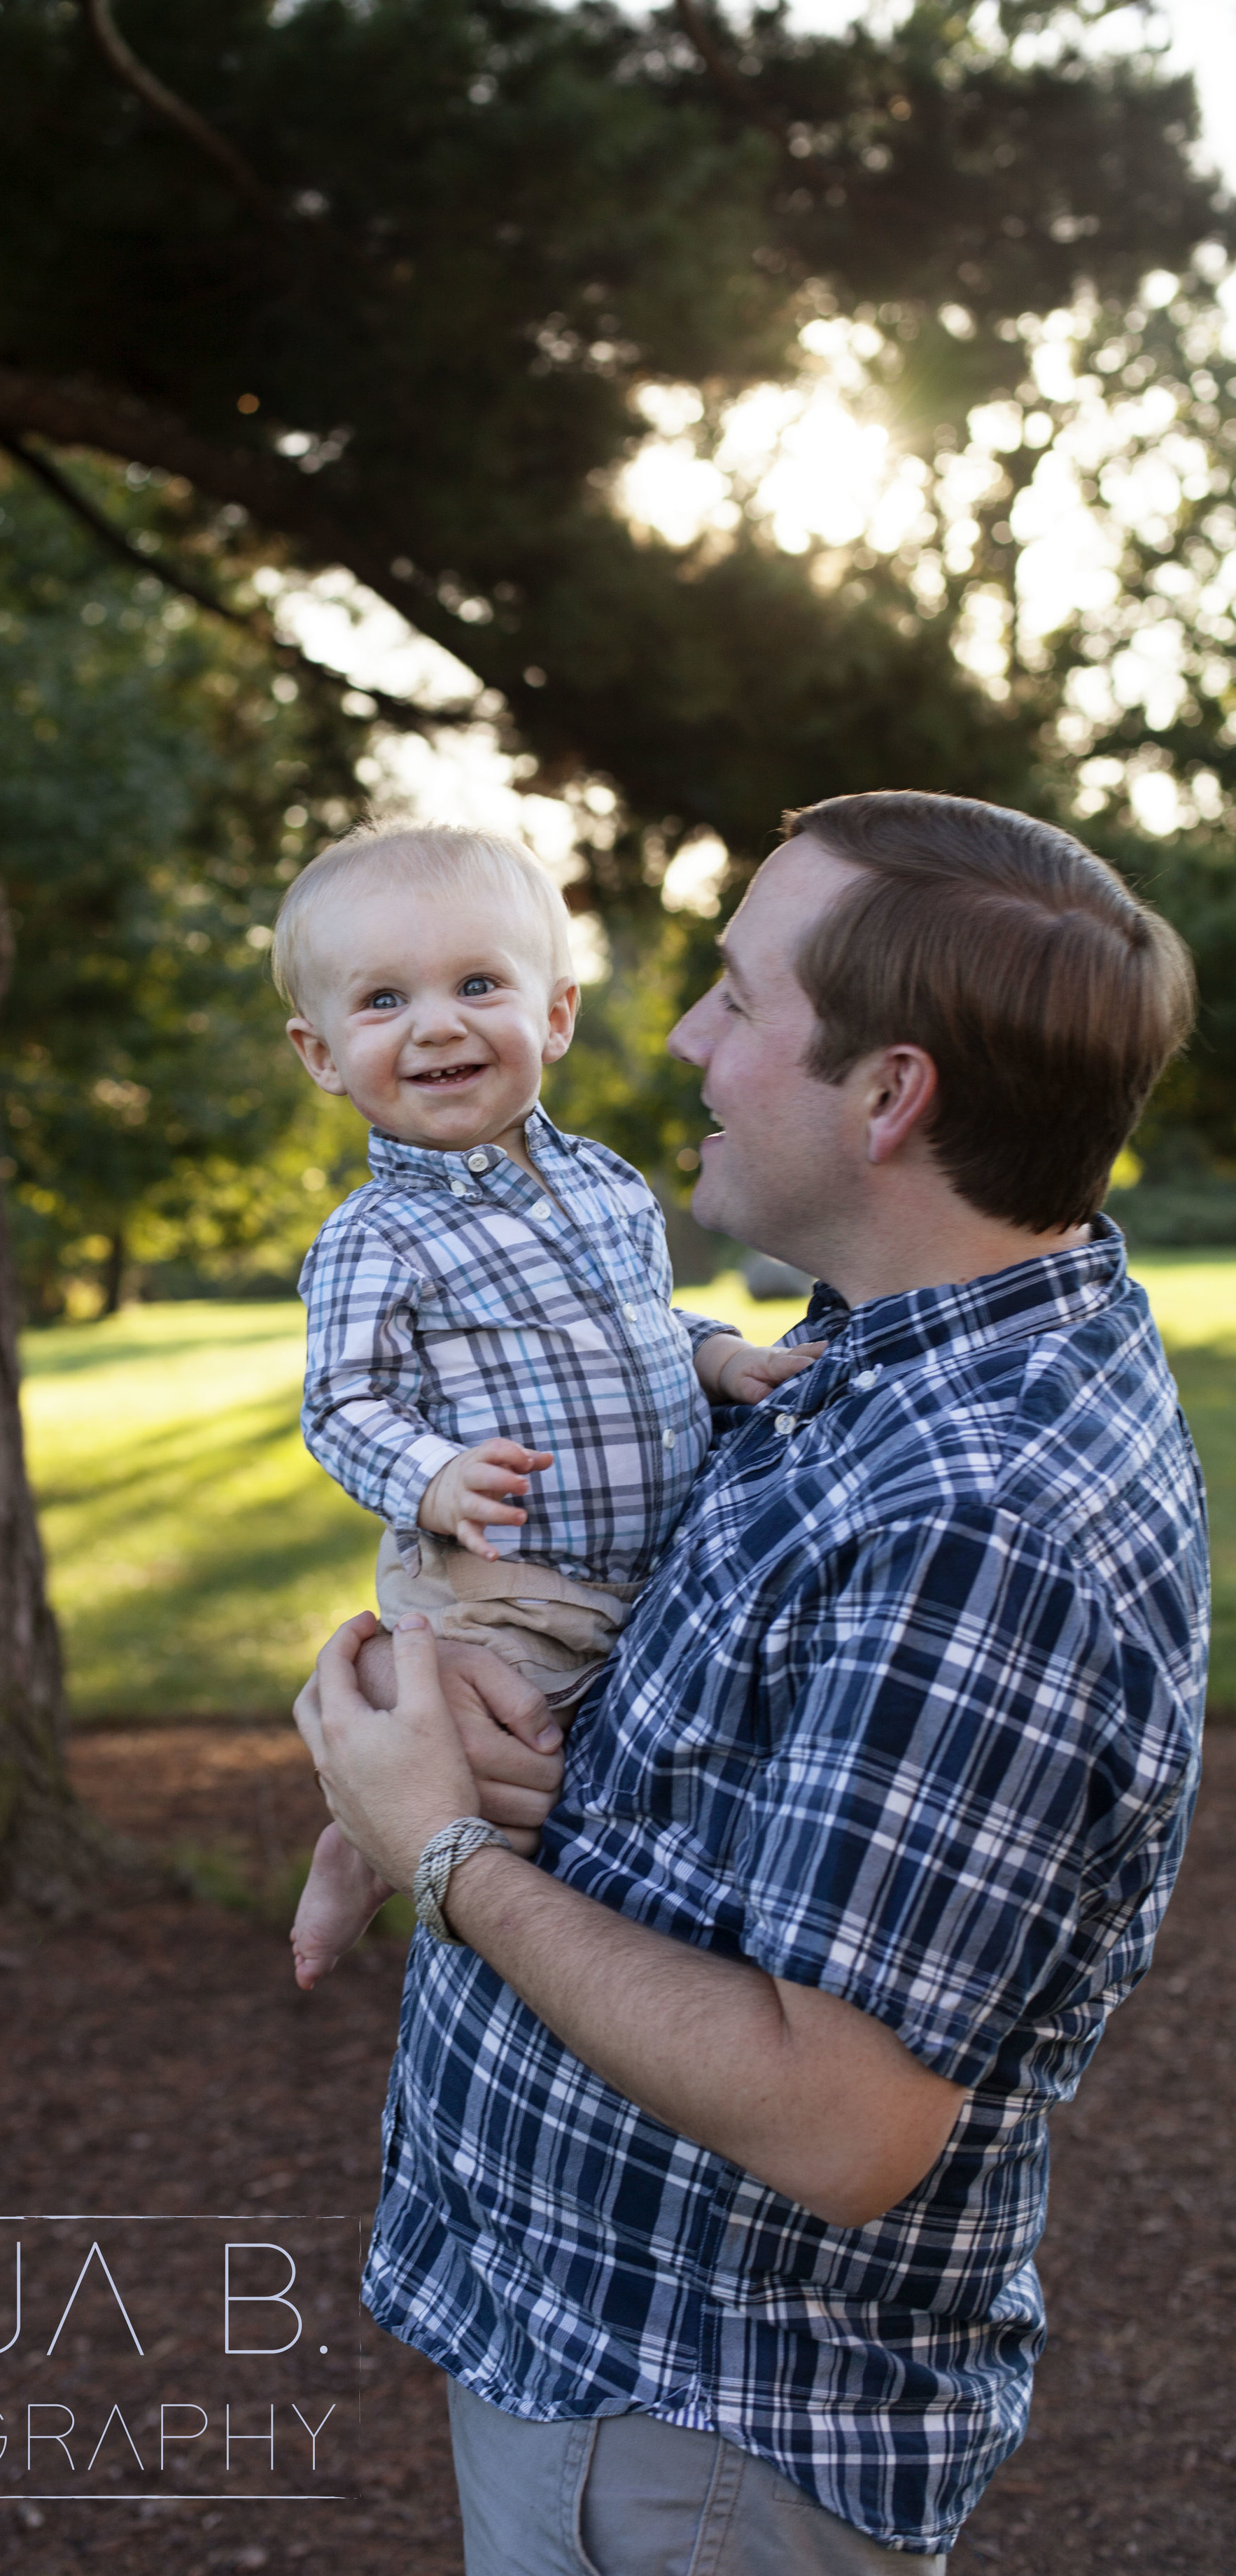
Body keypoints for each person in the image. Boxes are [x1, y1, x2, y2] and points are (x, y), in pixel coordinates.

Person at [293, 791, 1208, 2576]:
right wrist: (451, 1686)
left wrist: (442, 1849)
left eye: (731, 994)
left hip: (696, 2437)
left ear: (886, 1096)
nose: (683, 1038)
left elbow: (835, 2118)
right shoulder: (868, 1352)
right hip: (614, 2366)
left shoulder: (975, 1529)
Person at [274, 825, 817, 1988]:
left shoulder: (607, 1184)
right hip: (504, 1579)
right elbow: (341, 1403)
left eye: (478, 984)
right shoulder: (378, 1236)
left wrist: (718, 1359)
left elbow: (636, 1328)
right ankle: (356, 1857)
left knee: (592, 1786)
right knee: (480, 1758)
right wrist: (431, 1475)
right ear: (322, 1054)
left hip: (642, 1565)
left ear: (556, 1016)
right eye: (383, 1000)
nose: (437, 1023)